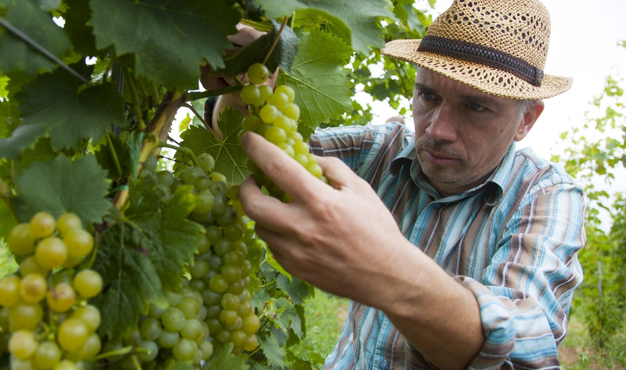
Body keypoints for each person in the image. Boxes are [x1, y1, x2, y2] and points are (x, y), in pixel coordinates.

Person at [225, 0, 585, 369]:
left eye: (476, 107)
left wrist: (386, 268)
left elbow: (525, 354)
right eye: (428, 95)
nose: (436, 130)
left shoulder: (547, 196)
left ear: (527, 119)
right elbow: (264, 146)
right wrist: (239, 86)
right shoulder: (382, 148)